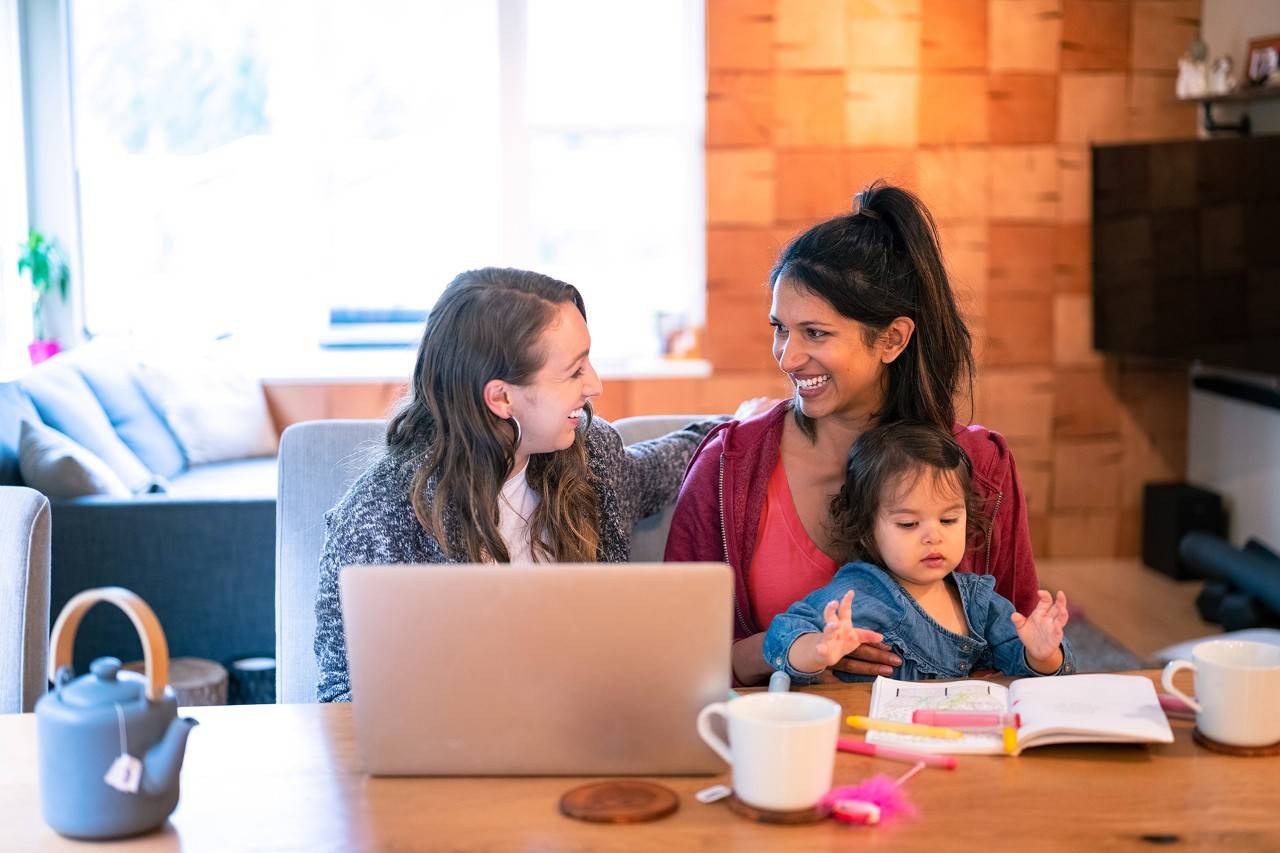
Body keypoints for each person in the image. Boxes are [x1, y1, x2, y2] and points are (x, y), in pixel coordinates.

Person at [664, 181, 1041, 686]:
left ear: (892, 338)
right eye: (780, 328)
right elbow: (679, 656)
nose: (787, 357)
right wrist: (800, 651)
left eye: (815, 333)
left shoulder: (983, 466)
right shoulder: (727, 467)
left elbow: (1024, 660)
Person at [314, 267, 732, 703]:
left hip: (590, 737)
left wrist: (744, 425)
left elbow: (664, 465)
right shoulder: (379, 517)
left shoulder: (592, 458)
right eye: (574, 372)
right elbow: (341, 694)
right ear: (501, 398)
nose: (595, 384)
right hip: (453, 758)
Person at [764, 421, 1074, 683]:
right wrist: (818, 648)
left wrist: (1041, 653)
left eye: (949, 520)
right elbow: (783, 631)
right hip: (878, 739)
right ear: (868, 530)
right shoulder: (859, 594)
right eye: (909, 523)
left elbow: (1023, 663)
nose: (933, 536)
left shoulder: (979, 601)